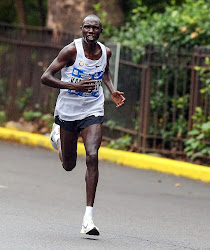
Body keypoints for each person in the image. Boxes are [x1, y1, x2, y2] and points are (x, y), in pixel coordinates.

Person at [41, 14, 125, 236]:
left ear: (100, 31)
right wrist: (73, 86)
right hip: (68, 111)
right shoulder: (71, 51)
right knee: (69, 165)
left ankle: (88, 218)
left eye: (95, 28)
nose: (91, 30)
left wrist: (112, 89)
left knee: (92, 155)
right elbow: (46, 77)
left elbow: (104, 71)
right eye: (87, 27)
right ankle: (57, 137)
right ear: (81, 29)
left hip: (92, 109)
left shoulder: (105, 52)